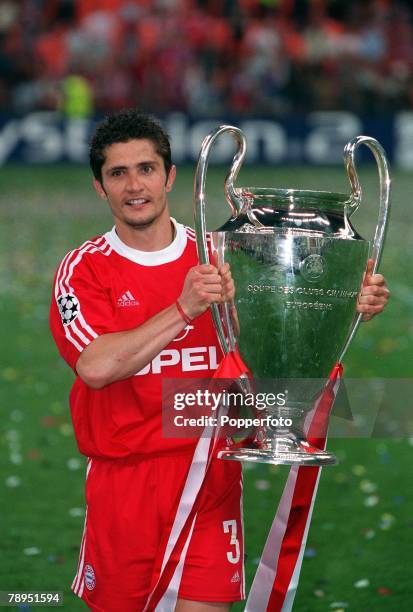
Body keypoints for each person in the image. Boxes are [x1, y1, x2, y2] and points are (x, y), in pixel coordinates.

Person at [49, 109, 390, 612]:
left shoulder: (225, 254)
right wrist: (184, 308)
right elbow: (96, 367)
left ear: (169, 177)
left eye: (145, 169)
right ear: (100, 188)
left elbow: (284, 327)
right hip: (127, 487)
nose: (133, 185)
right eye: (117, 173)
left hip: (211, 476)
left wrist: (344, 301)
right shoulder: (86, 269)